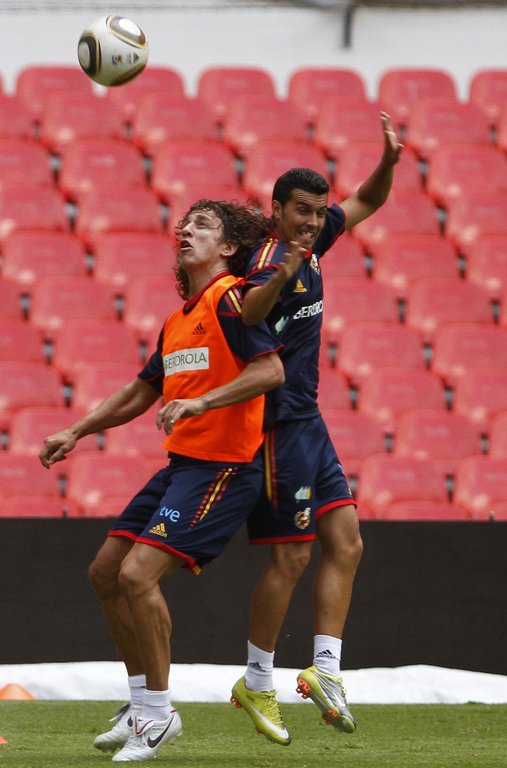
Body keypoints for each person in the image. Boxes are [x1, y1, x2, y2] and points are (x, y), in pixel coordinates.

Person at [39, 199, 284, 763]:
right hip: (182, 466)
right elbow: (141, 391)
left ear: (228, 247)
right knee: (106, 571)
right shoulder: (179, 320)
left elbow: (271, 370)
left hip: (224, 469)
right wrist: (76, 430)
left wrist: (202, 402)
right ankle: (140, 705)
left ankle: (159, 713)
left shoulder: (231, 300)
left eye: (204, 226)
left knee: (137, 574)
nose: (187, 231)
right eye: (185, 224)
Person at [230, 112, 403, 745]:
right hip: (274, 427)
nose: (311, 221)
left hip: (309, 419)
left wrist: (388, 162)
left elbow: (367, 201)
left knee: (348, 542)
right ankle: (257, 679)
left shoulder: (313, 238)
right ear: (275, 210)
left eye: (316, 211)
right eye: (300, 211)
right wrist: (278, 278)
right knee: (292, 556)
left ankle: (325, 670)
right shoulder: (266, 262)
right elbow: (245, 313)